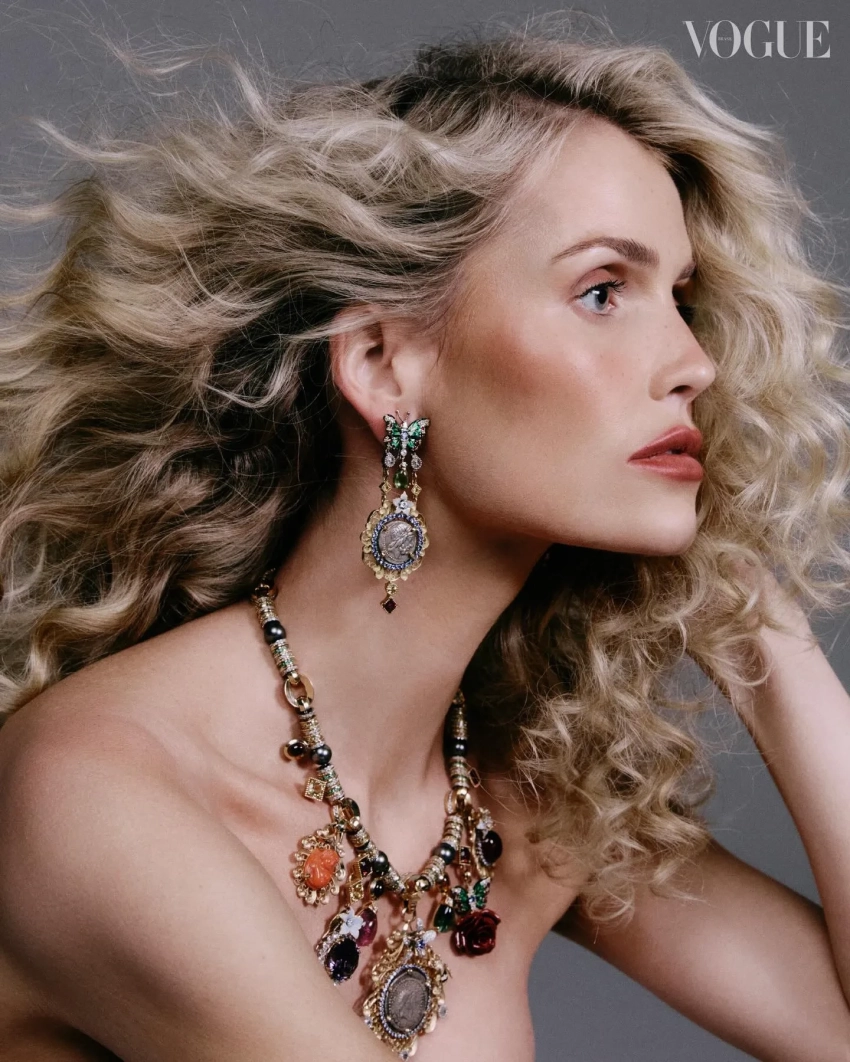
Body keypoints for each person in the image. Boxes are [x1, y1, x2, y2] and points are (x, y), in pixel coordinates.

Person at [1, 15, 850, 1062]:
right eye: (601, 291)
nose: (694, 364)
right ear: (383, 364)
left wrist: (762, 633)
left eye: (679, 301)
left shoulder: (511, 806)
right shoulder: (97, 789)